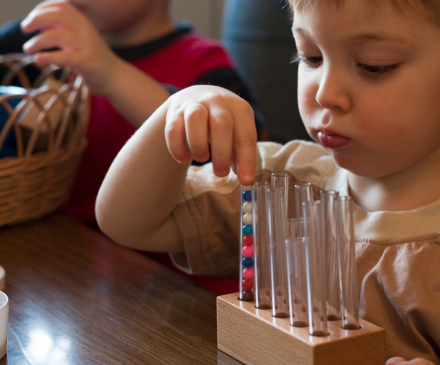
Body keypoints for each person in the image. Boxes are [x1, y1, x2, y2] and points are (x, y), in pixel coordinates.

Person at [95, 0, 440, 363]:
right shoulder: (279, 184)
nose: (324, 93)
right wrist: (177, 108)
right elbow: (126, 223)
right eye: (311, 57)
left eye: (374, 65)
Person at [0, 0, 265, 226]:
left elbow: (247, 152)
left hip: (159, 265)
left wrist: (111, 73)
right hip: (67, 247)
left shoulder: (203, 63)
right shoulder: (50, 46)